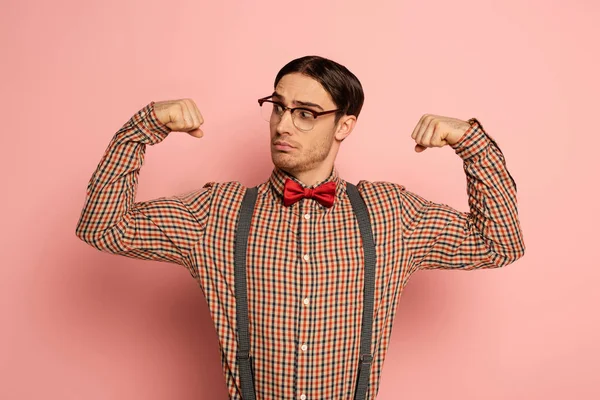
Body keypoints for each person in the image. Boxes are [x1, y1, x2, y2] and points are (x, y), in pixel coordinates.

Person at [75, 55, 525, 400]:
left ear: (344, 125)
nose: (283, 125)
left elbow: (498, 243)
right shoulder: (218, 212)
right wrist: (142, 129)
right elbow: (104, 227)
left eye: (306, 112)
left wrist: (470, 142)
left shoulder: (391, 213)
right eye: (278, 107)